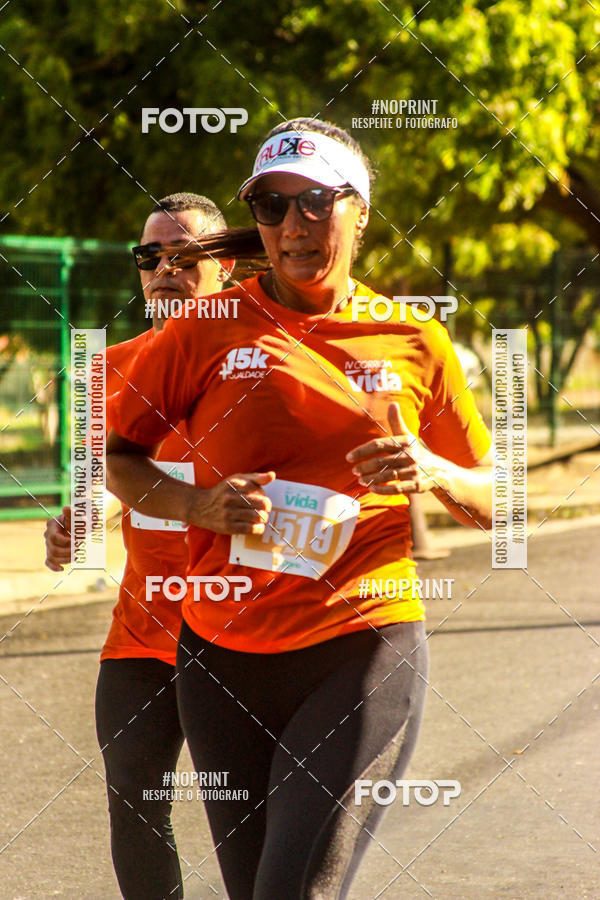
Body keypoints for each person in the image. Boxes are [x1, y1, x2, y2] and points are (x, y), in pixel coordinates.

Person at [106, 119, 494, 899]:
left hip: (361, 645)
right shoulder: (206, 331)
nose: (294, 224)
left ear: (360, 212)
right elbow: (118, 457)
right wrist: (199, 505)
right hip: (220, 660)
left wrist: (436, 471)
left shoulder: (414, 337)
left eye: (317, 201)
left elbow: (498, 499)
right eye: (273, 205)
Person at [44, 191, 232, 900]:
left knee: (245, 812)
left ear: (227, 269)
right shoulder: (107, 370)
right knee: (135, 797)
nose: (164, 271)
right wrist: (80, 520)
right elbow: (104, 481)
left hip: (245, 635)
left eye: (185, 257)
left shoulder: (258, 366)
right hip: (144, 634)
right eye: (150, 257)